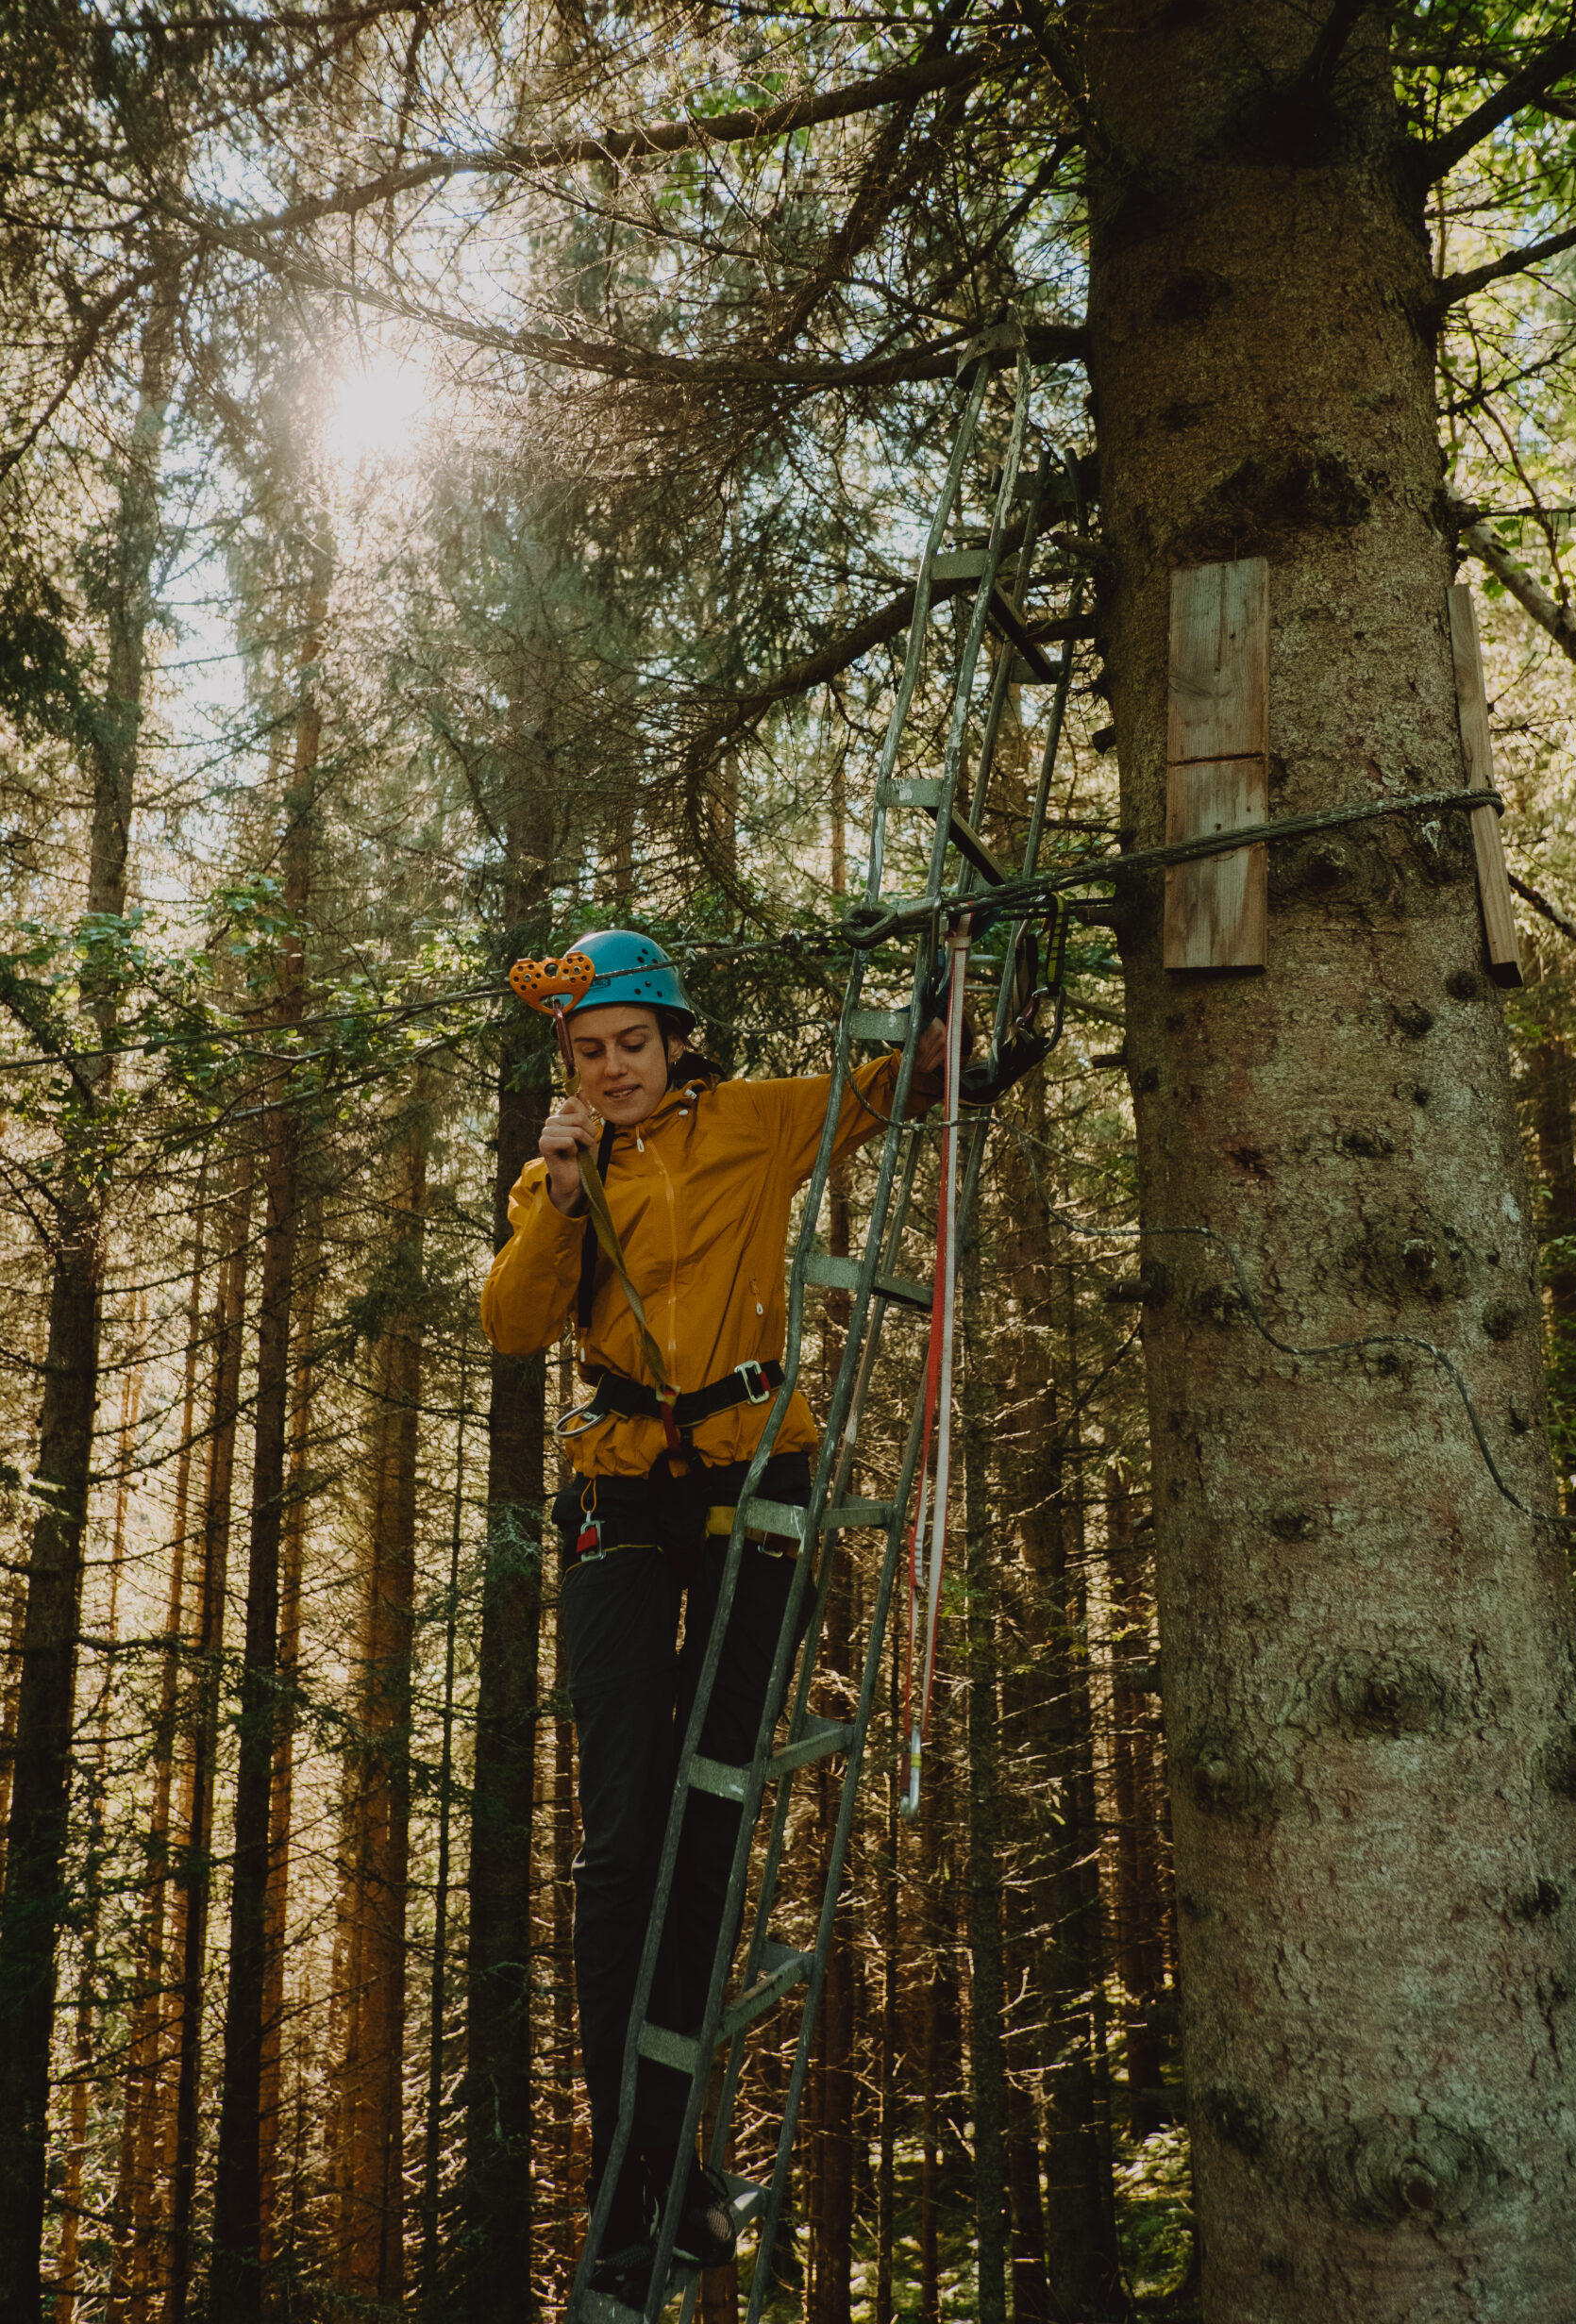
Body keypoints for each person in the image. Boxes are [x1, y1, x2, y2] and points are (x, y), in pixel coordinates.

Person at [480, 928, 943, 2295]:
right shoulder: (557, 1176)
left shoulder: (754, 1121)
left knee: (716, 1817)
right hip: (621, 1496)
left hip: (761, 1475)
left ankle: (677, 2168)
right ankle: (640, 2191)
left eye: (631, 1044)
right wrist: (562, 1193)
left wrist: (958, 1007)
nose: (613, 1070)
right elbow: (513, 1325)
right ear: (567, 1071)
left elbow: (896, 1088)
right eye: (588, 1055)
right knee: (625, 1843)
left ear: (677, 1039)